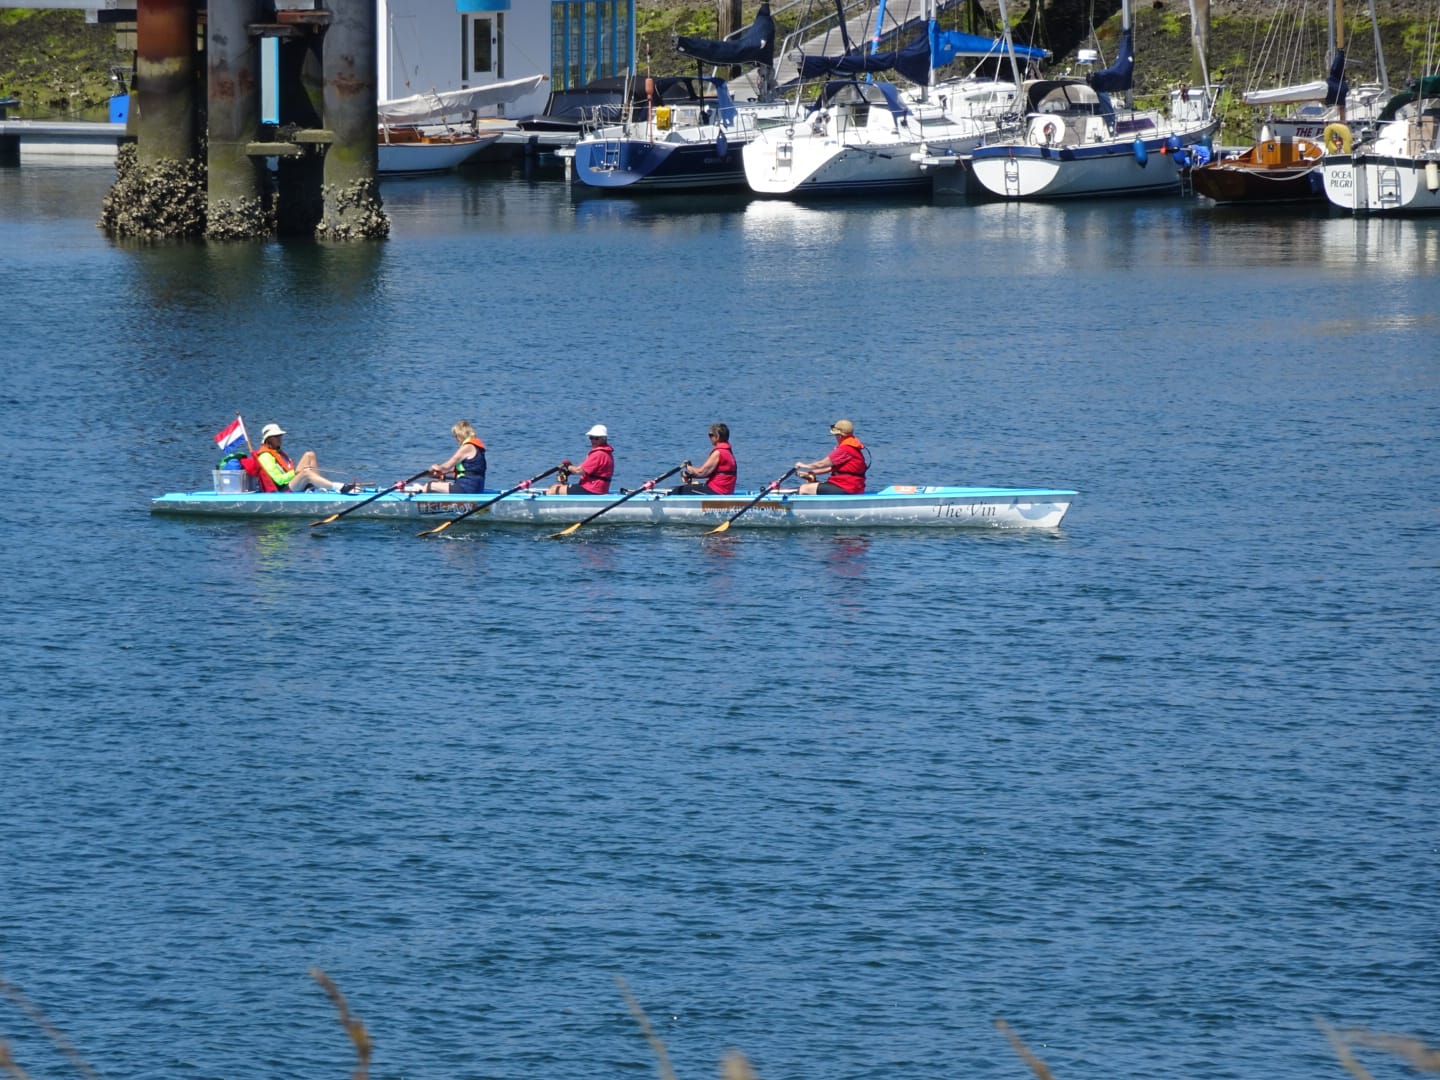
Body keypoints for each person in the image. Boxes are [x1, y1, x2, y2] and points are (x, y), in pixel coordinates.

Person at [252, 423, 354, 493]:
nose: (280, 439)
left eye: (280, 436)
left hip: (290, 483)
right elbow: (279, 480)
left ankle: (319, 487)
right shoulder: (265, 456)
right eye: (276, 437)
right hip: (283, 490)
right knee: (306, 473)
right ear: (269, 439)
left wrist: (296, 473)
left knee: (309, 455)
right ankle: (338, 487)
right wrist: (296, 473)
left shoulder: (276, 452)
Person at [795, 419, 868, 495]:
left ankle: (790, 506)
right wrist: (810, 473)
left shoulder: (845, 449)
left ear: (840, 436)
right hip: (852, 486)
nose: (835, 437)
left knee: (804, 488)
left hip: (846, 487)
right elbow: (830, 468)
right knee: (811, 484)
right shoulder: (852, 447)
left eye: (835, 435)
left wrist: (805, 465)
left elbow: (821, 464)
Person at [419, 421, 487, 494]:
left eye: (455, 436)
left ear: (460, 435)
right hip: (478, 487)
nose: (456, 439)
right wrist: (440, 473)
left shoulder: (467, 447)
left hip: (466, 487)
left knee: (429, 486)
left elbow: (446, 466)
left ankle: (419, 503)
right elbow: (464, 468)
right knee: (440, 483)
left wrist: (436, 467)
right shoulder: (477, 448)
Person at [545, 424, 614, 495]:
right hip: (597, 488)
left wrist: (568, 466)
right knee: (556, 486)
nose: (593, 441)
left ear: (604, 439)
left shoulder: (598, 454)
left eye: (596, 438)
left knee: (553, 490)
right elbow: (584, 470)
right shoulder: (606, 453)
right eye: (591, 438)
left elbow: (578, 470)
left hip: (592, 489)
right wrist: (569, 471)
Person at [671, 422, 737, 495]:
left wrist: (688, 467)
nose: (709, 438)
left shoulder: (718, 453)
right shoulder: (728, 452)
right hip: (726, 491)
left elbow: (701, 472)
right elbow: (707, 473)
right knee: (691, 486)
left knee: (678, 490)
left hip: (716, 491)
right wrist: (690, 475)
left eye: (710, 435)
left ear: (717, 436)